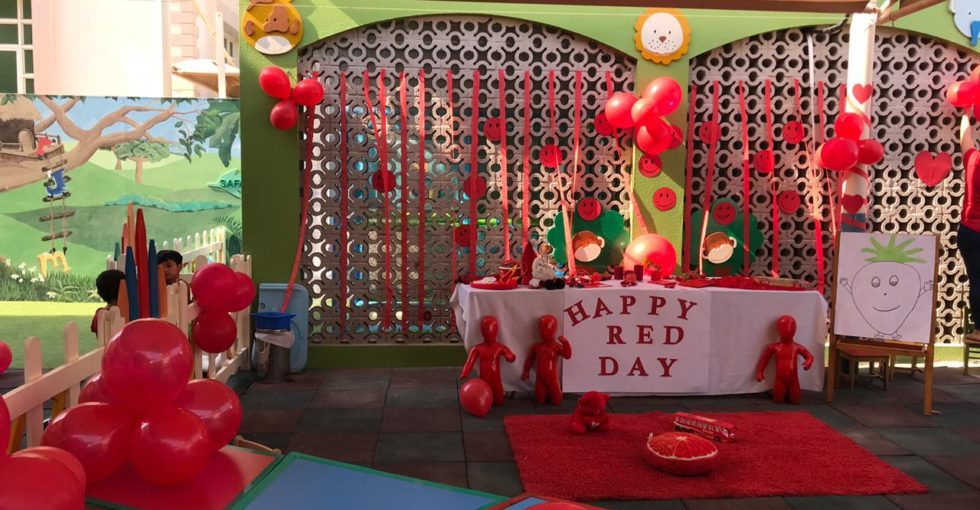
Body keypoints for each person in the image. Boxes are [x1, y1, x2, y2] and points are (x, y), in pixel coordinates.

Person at [959, 114, 980, 332]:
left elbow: (964, 139)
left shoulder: (974, 160)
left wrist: (965, 112)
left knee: (976, 280)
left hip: (969, 232)